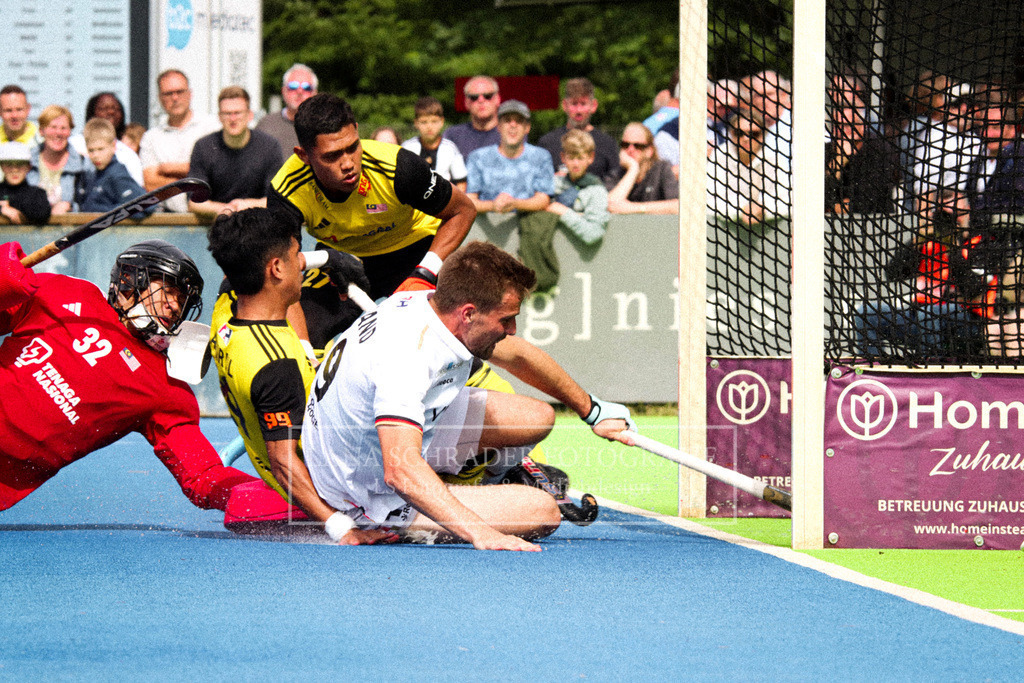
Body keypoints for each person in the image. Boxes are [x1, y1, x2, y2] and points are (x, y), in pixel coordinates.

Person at [300, 241, 635, 550]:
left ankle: (467, 488)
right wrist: (482, 532)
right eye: (506, 320)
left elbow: (516, 354)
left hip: (371, 437)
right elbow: (399, 470)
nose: (512, 329)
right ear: (469, 313)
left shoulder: (428, 304)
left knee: (537, 418)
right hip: (362, 489)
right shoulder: (407, 357)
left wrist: (590, 409)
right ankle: (451, 500)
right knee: (543, 511)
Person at [0, 239, 257, 512]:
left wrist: (279, 500)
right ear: (129, 280)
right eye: (169, 291)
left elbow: (204, 477)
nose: (174, 307)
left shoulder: (167, 389)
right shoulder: (66, 292)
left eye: (182, 302)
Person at [207, 208, 393, 545]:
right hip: (334, 483)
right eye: (296, 257)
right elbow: (282, 462)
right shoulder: (276, 364)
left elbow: (236, 268)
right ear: (276, 268)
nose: (301, 265)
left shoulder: (225, 309)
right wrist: (340, 527)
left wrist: (324, 258)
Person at [268, 93, 477, 301]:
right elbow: (281, 265)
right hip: (340, 259)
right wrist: (327, 258)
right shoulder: (286, 190)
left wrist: (425, 272)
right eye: (332, 156)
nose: (348, 164)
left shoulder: (398, 166)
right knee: (299, 317)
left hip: (413, 250)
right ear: (303, 155)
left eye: (352, 148)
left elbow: (463, 210)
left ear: (357, 131)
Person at [523, 129, 609, 292]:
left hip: (581, 268)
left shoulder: (596, 191)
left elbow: (593, 233)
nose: (575, 164)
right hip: (546, 258)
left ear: (590, 158)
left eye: (580, 158)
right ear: (563, 158)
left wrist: (563, 212)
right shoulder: (552, 184)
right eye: (571, 158)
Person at [187, 86, 282, 218]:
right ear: (219, 117)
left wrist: (246, 205)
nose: (232, 119)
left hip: (258, 224)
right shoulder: (203, 147)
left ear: (250, 115)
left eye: (237, 113)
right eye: (227, 113)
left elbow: (277, 200)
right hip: (217, 223)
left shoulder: (270, 146)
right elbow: (194, 202)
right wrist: (225, 209)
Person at [138, 69, 219, 212]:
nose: (175, 98)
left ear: (190, 93)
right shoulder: (151, 137)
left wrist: (168, 169)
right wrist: (193, 180)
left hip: (211, 215)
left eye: (180, 92)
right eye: (168, 93)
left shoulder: (212, 127)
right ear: (160, 98)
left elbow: (218, 173)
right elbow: (150, 183)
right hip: (169, 220)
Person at [465, 100, 554, 215]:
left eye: (519, 121)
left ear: (527, 127)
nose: (513, 125)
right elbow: (469, 200)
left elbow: (543, 199)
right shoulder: (477, 158)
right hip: (485, 228)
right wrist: (492, 205)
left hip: (528, 226)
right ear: (499, 126)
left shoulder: (541, 157)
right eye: (507, 121)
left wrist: (515, 203)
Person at [536, 77, 619, 184]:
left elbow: (614, 181)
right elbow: (537, 180)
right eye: (574, 104)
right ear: (565, 105)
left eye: (583, 104)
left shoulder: (607, 144)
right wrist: (555, 180)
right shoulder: (547, 143)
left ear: (593, 106)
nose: (579, 110)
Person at [27, 105, 92, 215]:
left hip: (70, 229)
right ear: (41, 131)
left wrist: (70, 206)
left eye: (63, 128)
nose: (58, 133)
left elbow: (90, 203)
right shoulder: (27, 162)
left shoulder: (83, 164)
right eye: (53, 127)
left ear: (70, 132)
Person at [69, 92, 144, 187]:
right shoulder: (74, 144)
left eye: (115, 109)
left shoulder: (128, 155)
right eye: (103, 108)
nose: (111, 112)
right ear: (91, 113)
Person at [78, 118, 151, 216]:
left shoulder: (117, 175)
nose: (95, 155)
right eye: (91, 150)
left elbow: (147, 206)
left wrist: (105, 212)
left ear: (114, 146)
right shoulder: (92, 175)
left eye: (100, 149)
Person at [707, 109, 768, 224]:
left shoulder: (772, 158)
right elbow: (709, 201)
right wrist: (743, 209)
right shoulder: (720, 156)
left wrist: (762, 209)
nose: (746, 138)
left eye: (753, 134)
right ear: (731, 134)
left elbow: (786, 200)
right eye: (739, 133)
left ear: (762, 136)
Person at [607, 122, 678, 215]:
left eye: (637, 146)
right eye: (625, 145)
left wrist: (633, 208)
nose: (630, 150)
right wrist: (633, 169)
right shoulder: (616, 174)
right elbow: (611, 204)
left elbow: (677, 206)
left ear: (649, 151)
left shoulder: (662, 169)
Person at [255, 63, 319, 164]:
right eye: (293, 86)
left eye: (306, 87)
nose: (299, 91)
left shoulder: (324, 126)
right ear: (283, 91)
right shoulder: (266, 125)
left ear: (315, 93)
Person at [401, 96, 468, 190]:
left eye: (434, 121)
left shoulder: (450, 148)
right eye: (424, 122)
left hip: (443, 201)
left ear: (442, 122)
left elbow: (461, 182)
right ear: (416, 123)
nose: (429, 127)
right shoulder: (407, 148)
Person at [444, 75, 502, 159]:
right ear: (466, 102)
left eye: (487, 96)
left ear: (498, 99)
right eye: (474, 97)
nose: (481, 100)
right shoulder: (452, 136)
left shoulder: (511, 134)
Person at [0, 141, 50, 225]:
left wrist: (9, 208)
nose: (15, 170)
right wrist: (2, 209)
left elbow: (41, 213)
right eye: (9, 165)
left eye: (20, 165)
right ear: (2, 166)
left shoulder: (37, 193)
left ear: (28, 167)